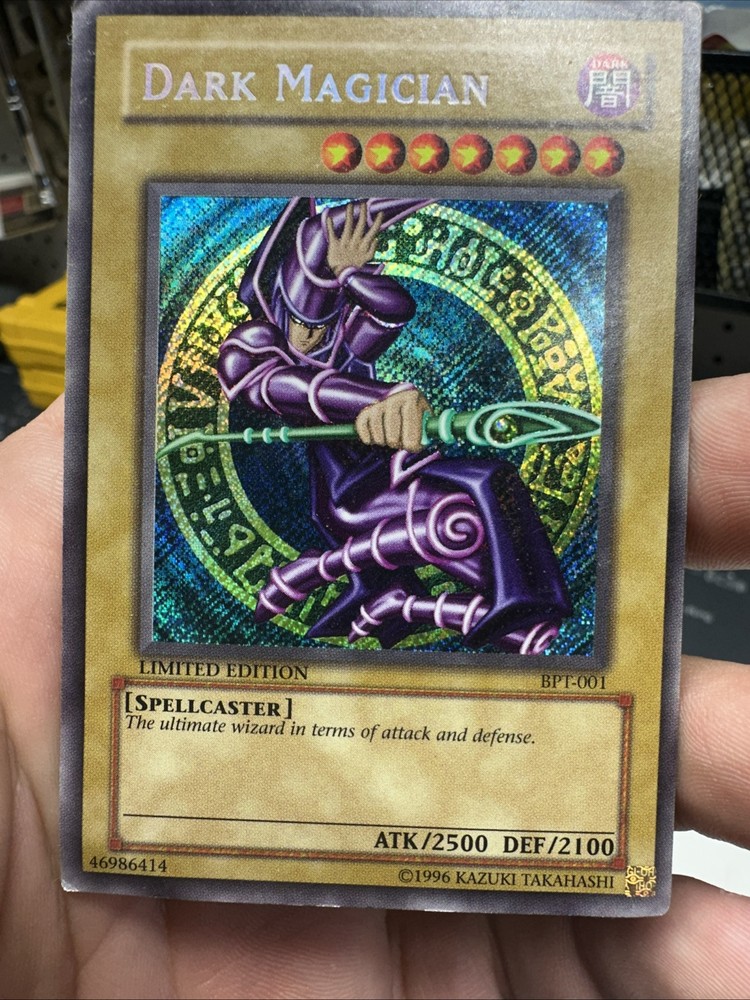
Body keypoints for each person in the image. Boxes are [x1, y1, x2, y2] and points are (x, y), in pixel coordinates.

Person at [0, 373, 749, 996]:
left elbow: (376, 343)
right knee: (452, 509)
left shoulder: (356, 322)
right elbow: (263, 380)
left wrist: (392, 402)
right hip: (351, 502)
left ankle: (481, 612)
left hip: (395, 486)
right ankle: (402, 597)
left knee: (478, 489)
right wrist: (365, 404)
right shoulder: (267, 341)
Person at [217, 198, 571, 653]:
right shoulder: (252, 349)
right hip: (351, 494)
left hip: (393, 469)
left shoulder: (340, 340)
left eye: (322, 327)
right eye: (302, 324)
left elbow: (394, 310)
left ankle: (468, 604)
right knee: (463, 514)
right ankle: (392, 595)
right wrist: (376, 399)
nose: (313, 338)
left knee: (488, 483)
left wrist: (349, 275)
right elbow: (287, 388)